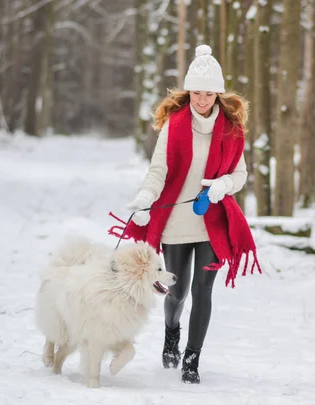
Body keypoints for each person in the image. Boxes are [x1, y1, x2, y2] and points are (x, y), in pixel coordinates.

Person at [124, 44, 261, 384]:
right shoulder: (175, 125)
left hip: (212, 222)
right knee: (178, 291)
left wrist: (224, 185)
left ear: (218, 93)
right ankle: (172, 332)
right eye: (196, 92)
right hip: (176, 221)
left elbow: (241, 175)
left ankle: (192, 358)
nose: (202, 99)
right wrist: (144, 197)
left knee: (203, 290)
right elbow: (158, 171)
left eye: (208, 93)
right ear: (188, 91)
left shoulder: (232, 129)